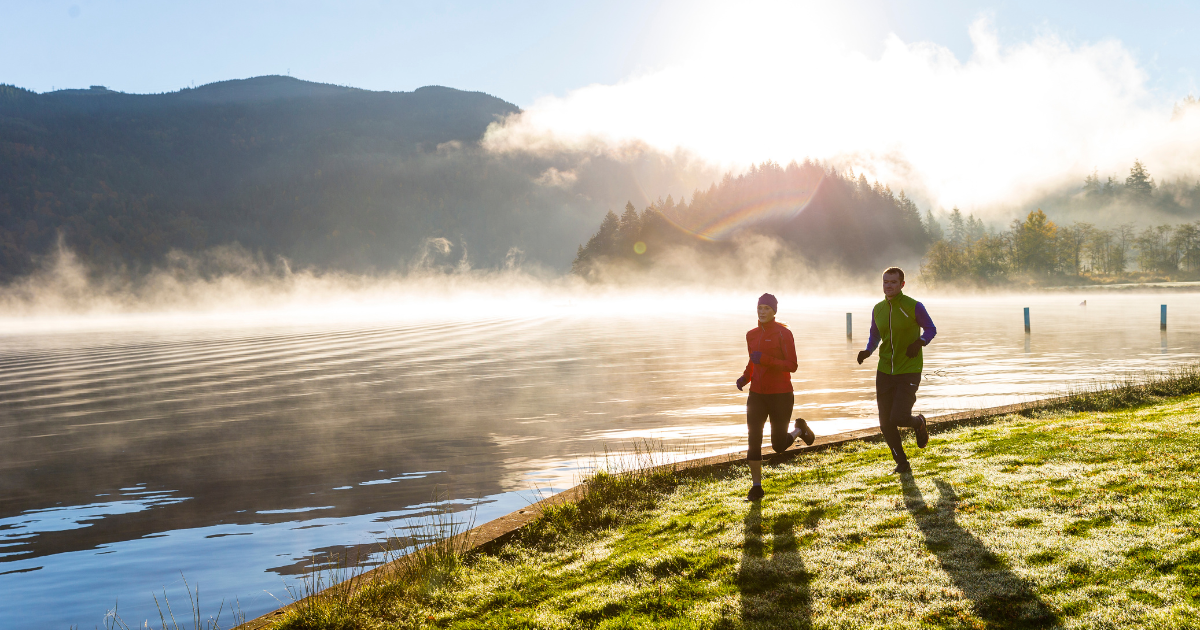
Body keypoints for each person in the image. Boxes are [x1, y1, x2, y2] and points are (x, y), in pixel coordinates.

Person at [857, 267, 937, 474]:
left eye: (893, 282)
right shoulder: (878, 309)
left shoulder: (913, 306)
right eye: (885, 282)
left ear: (902, 284)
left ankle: (918, 422)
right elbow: (875, 336)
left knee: (899, 417)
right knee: (885, 423)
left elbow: (931, 329)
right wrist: (867, 351)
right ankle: (902, 463)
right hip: (884, 370)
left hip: (909, 369)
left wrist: (919, 342)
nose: (888, 286)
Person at [736, 293, 815, 501]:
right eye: (760, 307)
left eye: (766, 308)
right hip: (757, 395)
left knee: (778, 445)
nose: (762, 312)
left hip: (780, 394)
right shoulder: (751, 334)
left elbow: (792, 365)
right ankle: (756, 488)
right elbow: (753, 361)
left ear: (774, 311)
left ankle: (799, 429)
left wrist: (767, 360)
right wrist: (745, 377)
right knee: (754, 439)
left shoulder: (783, 334)